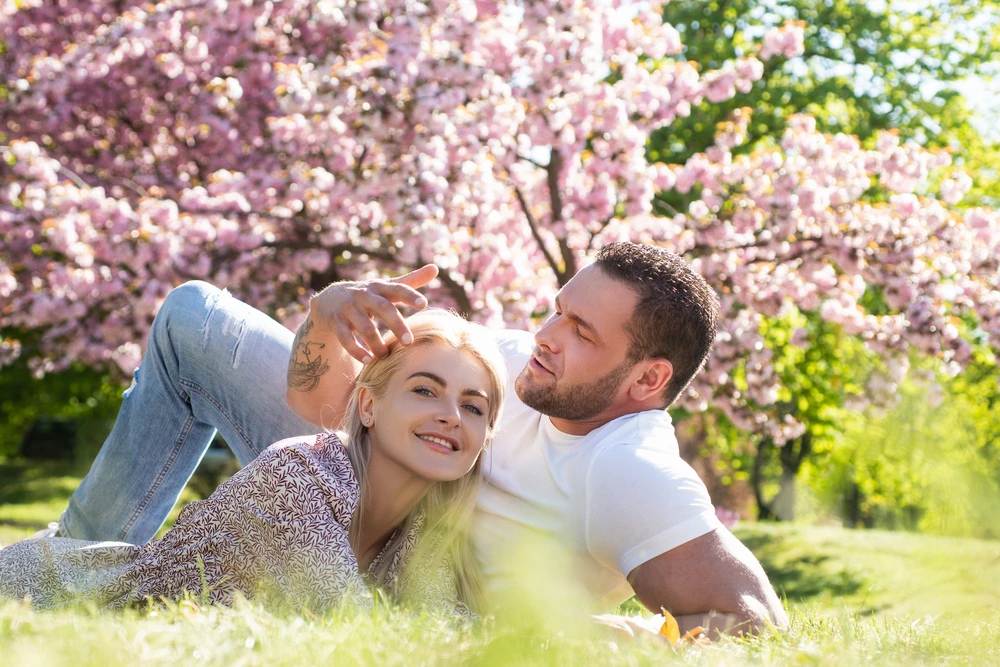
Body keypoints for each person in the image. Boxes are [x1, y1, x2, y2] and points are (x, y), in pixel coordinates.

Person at [49, 241, 786, 635]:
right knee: (192, 317)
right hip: (348, 503)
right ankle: (75, 556)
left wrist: (605, 636)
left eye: (581, 331)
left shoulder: (630, 469)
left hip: (416, 587)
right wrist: (328, 320)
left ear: (648, 379)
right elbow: (318, 402)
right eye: (558, 311)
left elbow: (755, 622)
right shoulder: (510, 364)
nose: (546, 337)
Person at [0, 309, 506, 613]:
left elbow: (442, 633)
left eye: (473, 406)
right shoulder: (296, 477)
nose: (450, 416)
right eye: (425, 390)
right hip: (45, 593)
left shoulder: (427, 537)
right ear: (369, 406)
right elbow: (353, 623)